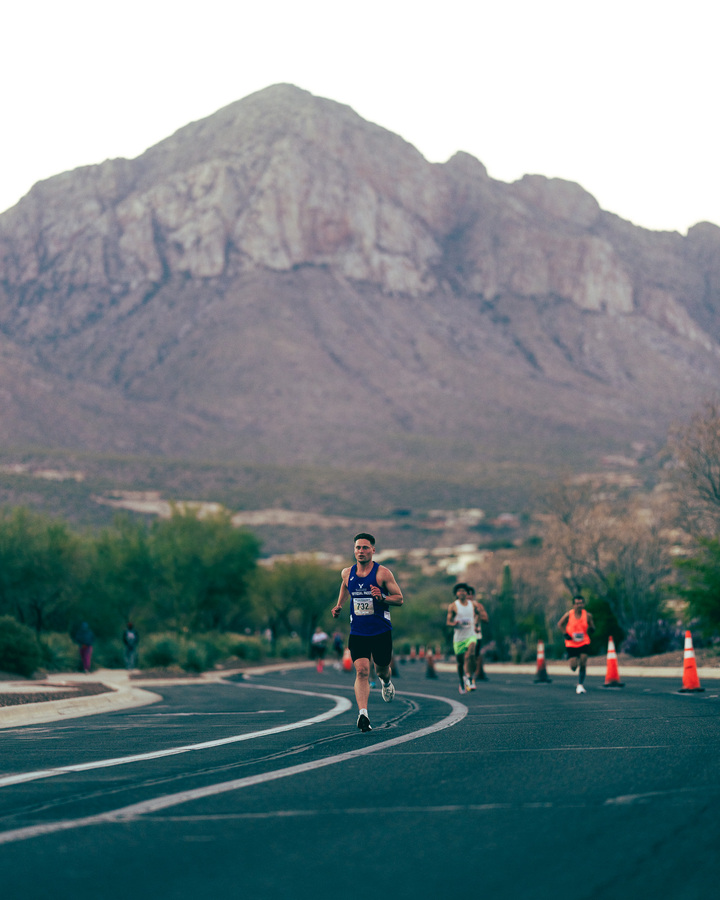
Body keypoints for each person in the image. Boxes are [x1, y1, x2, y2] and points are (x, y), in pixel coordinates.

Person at [331, 532, 404, 732]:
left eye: (365, 547)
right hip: (358, 632)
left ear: (373, 550)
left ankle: (386, 682)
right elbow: (345, 587)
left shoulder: (383, 574)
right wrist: (339, 605)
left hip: (380, 631)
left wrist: (382, 598)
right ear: (354, 550)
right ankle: (363, 714)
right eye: (357, 547)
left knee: (381, 669)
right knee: (362, 671)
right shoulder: (347, 573)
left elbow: (399, 598)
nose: (361, 551)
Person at [558, 595, 595, 694]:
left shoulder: (587, 615)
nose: (579, 605)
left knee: (583, 662)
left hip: (584, 642)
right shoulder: (569, 615)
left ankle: (580, 685)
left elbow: (592, 625)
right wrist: (565, 634)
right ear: (573, 605)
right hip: (571, 643)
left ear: (583, 604)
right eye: (577, 603)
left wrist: (592, 629)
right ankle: (574, 661)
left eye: (581, 603)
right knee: (574, 667)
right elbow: (560, 624)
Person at [446, 583, 477, 693]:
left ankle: (469, 678)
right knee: (460, 662)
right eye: (459, 591)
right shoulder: (453, 606)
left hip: (471, 635)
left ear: (467, 593)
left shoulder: (473, 604)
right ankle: (461, 680)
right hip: (459, 637)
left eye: (464, 591)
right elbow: (448, 622)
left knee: (471, 654)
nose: (462, 593)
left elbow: (477, 615)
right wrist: (454, 624)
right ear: (456, 594)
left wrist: (476, 624)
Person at [467, 586, 490, 686]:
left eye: (470, 594)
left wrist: (478, 612)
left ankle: (472, 675)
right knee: (468, 656)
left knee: (474, 657)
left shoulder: (478, 606)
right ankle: (468, 676)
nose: (469, 596)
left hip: (476, 635)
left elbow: (486, 619)